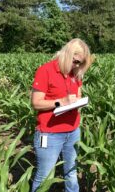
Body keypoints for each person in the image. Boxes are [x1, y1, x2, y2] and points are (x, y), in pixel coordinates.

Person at [31, 38, 93, 192]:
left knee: (71, 173)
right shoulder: (45, 70)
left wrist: (78, 103)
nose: (77, 66)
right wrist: (60, 102)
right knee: (44, 175)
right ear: (67, 54)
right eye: (76, 61)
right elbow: (36, 103)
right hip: (49, 134)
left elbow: (77, 96)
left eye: (80, 63)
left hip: (73, 132)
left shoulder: (75, 74)